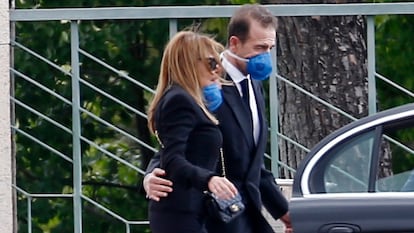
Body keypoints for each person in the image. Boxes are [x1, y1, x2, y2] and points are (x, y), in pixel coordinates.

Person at [144, 4, 293, 233]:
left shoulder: (254, 85)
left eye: (270, 48)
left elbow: (254, 165)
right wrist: (151, 175)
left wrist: (284, 213)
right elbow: (174, 144)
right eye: (260, 47)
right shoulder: (204, 82)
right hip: (213, 214)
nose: (265, 56)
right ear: (234, 43)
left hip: (244, 210)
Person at [146, 30, 240, 233]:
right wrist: (209, 179)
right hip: (179, 212)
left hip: (191, 209)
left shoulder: (190, 100)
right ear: (190, 63)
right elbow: (173, 159)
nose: (217, 70)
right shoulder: (179, 100)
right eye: (211, 63)